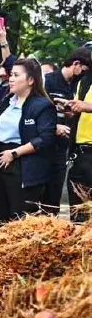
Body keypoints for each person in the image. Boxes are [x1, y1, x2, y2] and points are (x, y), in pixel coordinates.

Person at [0, 59, 56, 223]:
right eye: (11, 75)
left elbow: (45, 138)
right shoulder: (8, 101)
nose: (11, 79)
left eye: (16, 75)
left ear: (31, 80)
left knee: (19, 215)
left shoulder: (42, 105)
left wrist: (15, 153)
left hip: (22, 160)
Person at [42, 47, 92, 215]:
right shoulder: (81, 83)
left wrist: (87, 107)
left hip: (82, 149)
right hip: (75, 151)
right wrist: (71, 111)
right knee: (77, 210)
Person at [65, 65, 92, 221]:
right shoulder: (85, 80)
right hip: (81, 153)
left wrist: (89, 107)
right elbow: (80, 111)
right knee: (78, 213)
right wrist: (72, 111)